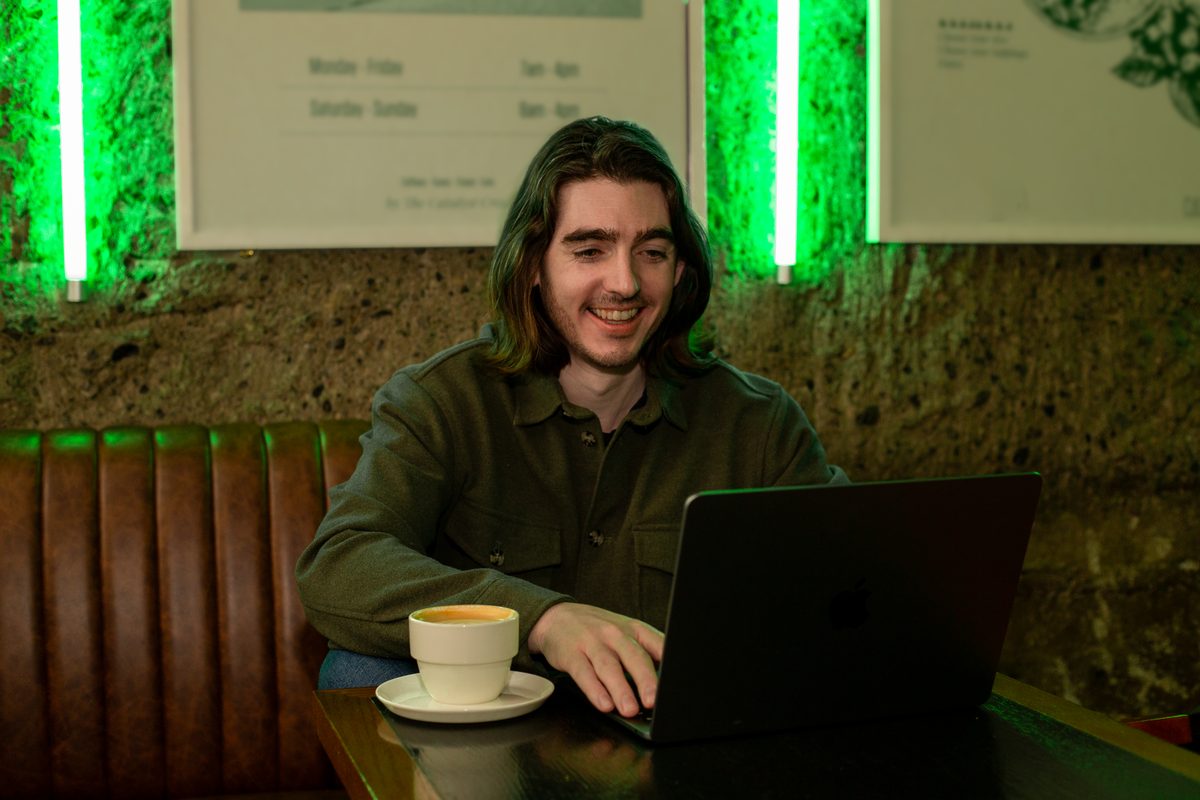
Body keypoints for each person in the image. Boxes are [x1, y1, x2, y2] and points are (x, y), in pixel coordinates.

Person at [295, 116, 845, 718]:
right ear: (533, 266)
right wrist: (540, 619)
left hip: (677, 740)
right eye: (589, 250)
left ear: (680, 271)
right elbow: (339, 565)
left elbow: (852, 585)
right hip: (494, 743)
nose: (625, 283)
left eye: (652, 252)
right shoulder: (442, 401)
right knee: (354, 669)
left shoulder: (758, 424)